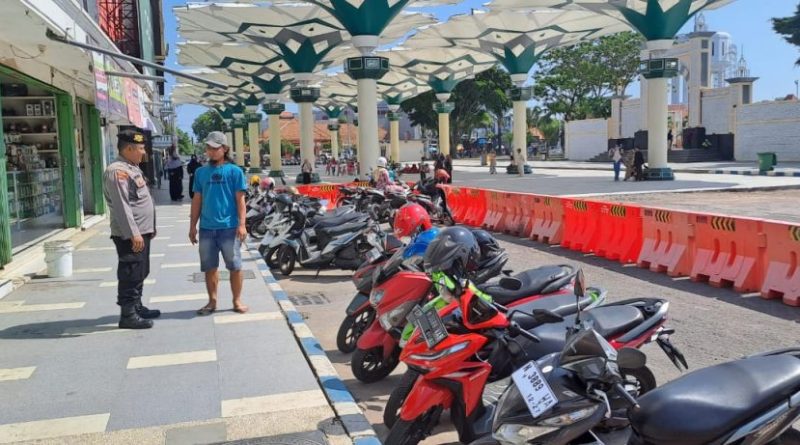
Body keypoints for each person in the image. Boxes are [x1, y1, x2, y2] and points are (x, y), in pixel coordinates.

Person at [103, 128, 160, 329]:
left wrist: (150, 227)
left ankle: (137, 306)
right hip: (130, 234)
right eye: (141, 148)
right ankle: (127, 315)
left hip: (141, 231)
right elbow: (122, 206)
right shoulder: (117, 171)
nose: (144, 152)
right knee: (130, 272)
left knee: (141, 270)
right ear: (129, 149)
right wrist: (133, 233)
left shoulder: (132, 168)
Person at [190, 131, 249, 316]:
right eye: (209, 148)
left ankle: (237, 300)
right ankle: (212, 301)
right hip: (207, 228)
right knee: (209, 267)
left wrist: (242, 224)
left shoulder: (235, 171)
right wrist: (192, 226)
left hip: (229, 228)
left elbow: (240, 200)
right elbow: (197, 200)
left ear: (225, 149)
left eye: (215, 148)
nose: (211, 151)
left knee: (235, 266)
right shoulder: (200, 173)